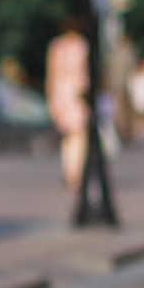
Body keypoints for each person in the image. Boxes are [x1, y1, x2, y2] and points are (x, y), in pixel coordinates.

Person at [44, 17, 90, 189]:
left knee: (67, 134)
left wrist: (50, 96)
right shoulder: (81, 45)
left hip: (60, 91)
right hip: (77, 92)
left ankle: (68, 168)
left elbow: (51, 73)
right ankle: (74, 171)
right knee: (79, 133)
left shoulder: (56, 46)